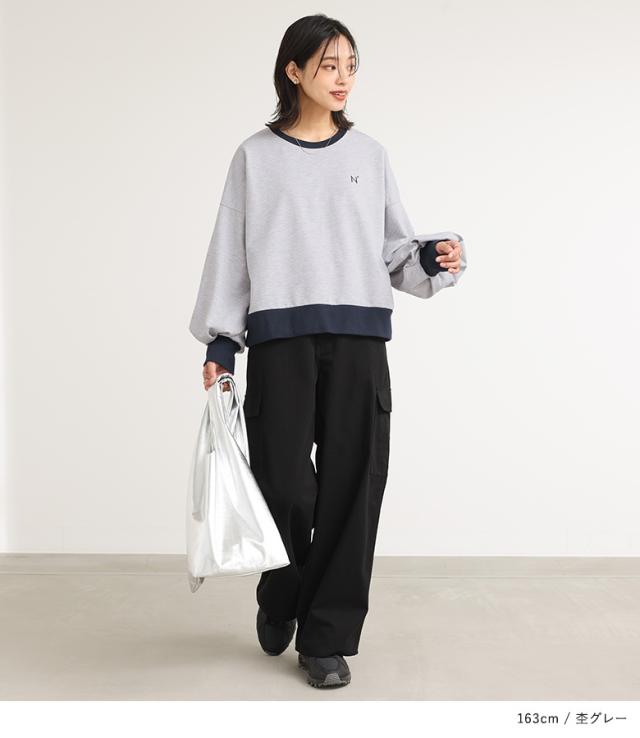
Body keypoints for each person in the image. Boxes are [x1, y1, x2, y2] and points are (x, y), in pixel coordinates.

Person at [189, 13, 467, 689]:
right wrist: (222, 342)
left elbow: (394, 252)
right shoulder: (255, 157)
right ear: (294, 71)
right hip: (280, 340)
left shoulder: (369, 155)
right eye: (329, 65)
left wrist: (433, 255)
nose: (343, 78)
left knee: (353, 485)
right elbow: (232, 251)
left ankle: (325, 638)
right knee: (283, 484)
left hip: (359, 340)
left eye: (351, 66)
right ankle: (283, 591)